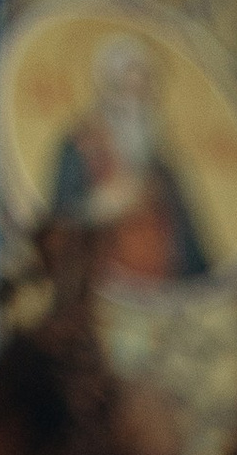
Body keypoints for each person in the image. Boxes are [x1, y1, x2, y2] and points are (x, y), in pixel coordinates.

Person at [44, 37, 211, 285]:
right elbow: (58, 218)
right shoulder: (79, 144)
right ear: (108, 89)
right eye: (126, 89)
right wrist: (99, 206)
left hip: (159, 286)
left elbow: (192, 247)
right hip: (102, 280)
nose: (135, 102)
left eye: (143, 92)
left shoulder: (162, 166)